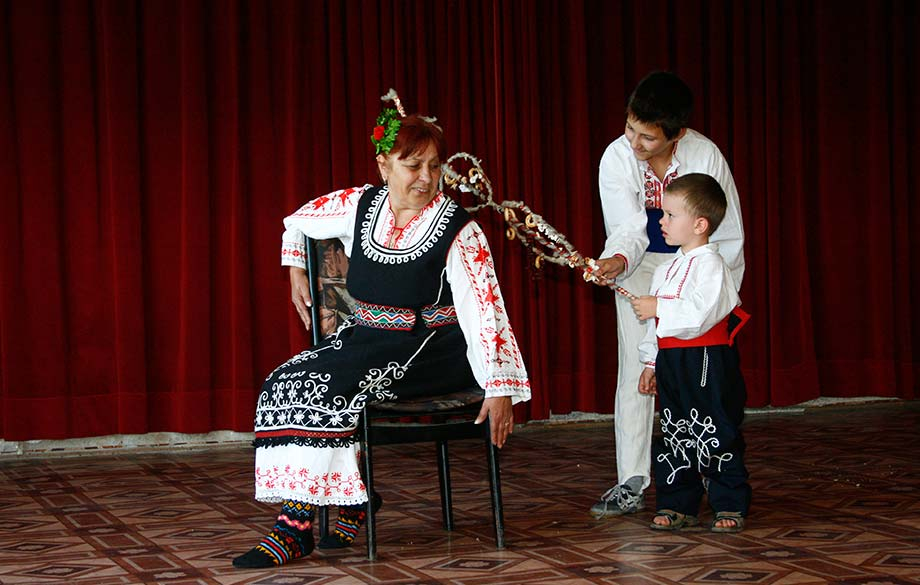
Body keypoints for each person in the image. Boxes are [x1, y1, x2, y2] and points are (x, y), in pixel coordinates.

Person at [233, 98, 531, 569]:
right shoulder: (358, 205)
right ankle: (349, 502)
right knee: (283, 380)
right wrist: (293, 264)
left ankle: (296, 528)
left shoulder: (460, 230)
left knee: (326, 387)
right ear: (383, 165)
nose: (426, 178)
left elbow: (485, 310)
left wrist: (499, 387)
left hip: (431, 348)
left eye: (434, 166)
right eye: (412, 166)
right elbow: (299, 219)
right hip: (368, 338)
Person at [588, 71, 745, 518]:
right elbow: (628, 228)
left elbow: (725, 232)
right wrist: (616, 259)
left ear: (676, 135)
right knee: (639, 366)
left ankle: (716, 481)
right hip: (641, 271)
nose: (634, 142)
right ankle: (632, 479)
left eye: (648, 137)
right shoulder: (616, 157)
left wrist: (718, 297)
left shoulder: (704, 154)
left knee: (701, 378)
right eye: (630, 128)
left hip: (700, 267)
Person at [631, 173, 751, 532]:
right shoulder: (666, 269)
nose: (661, 222)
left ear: (700, 224)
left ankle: (729, 503)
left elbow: (701, 315)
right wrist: (651, 361)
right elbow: (657, 328)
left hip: (706, 360)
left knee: (715, 428)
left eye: (670, 215)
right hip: (672, 360)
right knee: (674, 430)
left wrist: (658, 308)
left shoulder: (713, 267)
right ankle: (677, 502)